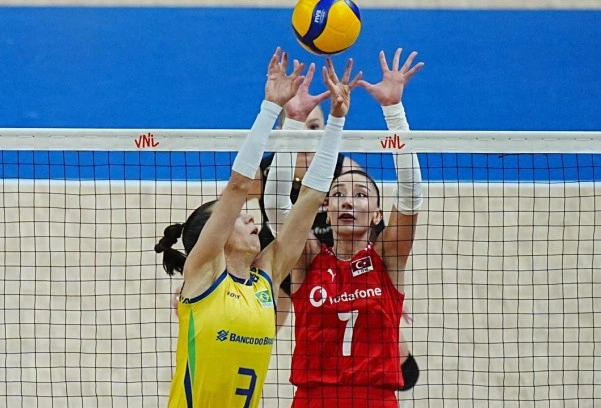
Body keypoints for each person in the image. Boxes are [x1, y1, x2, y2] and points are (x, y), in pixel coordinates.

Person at [154, 47, 362, 408]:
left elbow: (311, 197)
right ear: (214, 236)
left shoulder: (267, 277)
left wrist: (335, 122)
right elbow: (238, 187)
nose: (251, 217)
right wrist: (271, 109)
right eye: (238, 218)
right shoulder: (203, 273)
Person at [263, 48, 424, 407]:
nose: (348, 201)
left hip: (375, 399)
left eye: (361, 195)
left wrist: (394, 111)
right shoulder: (307, 258)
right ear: (326, 208)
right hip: (313, 399)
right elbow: (275, 204)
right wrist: (292, 122)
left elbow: (411, 196)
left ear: (378, 214)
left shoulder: (389, 258)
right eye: (338, 195)